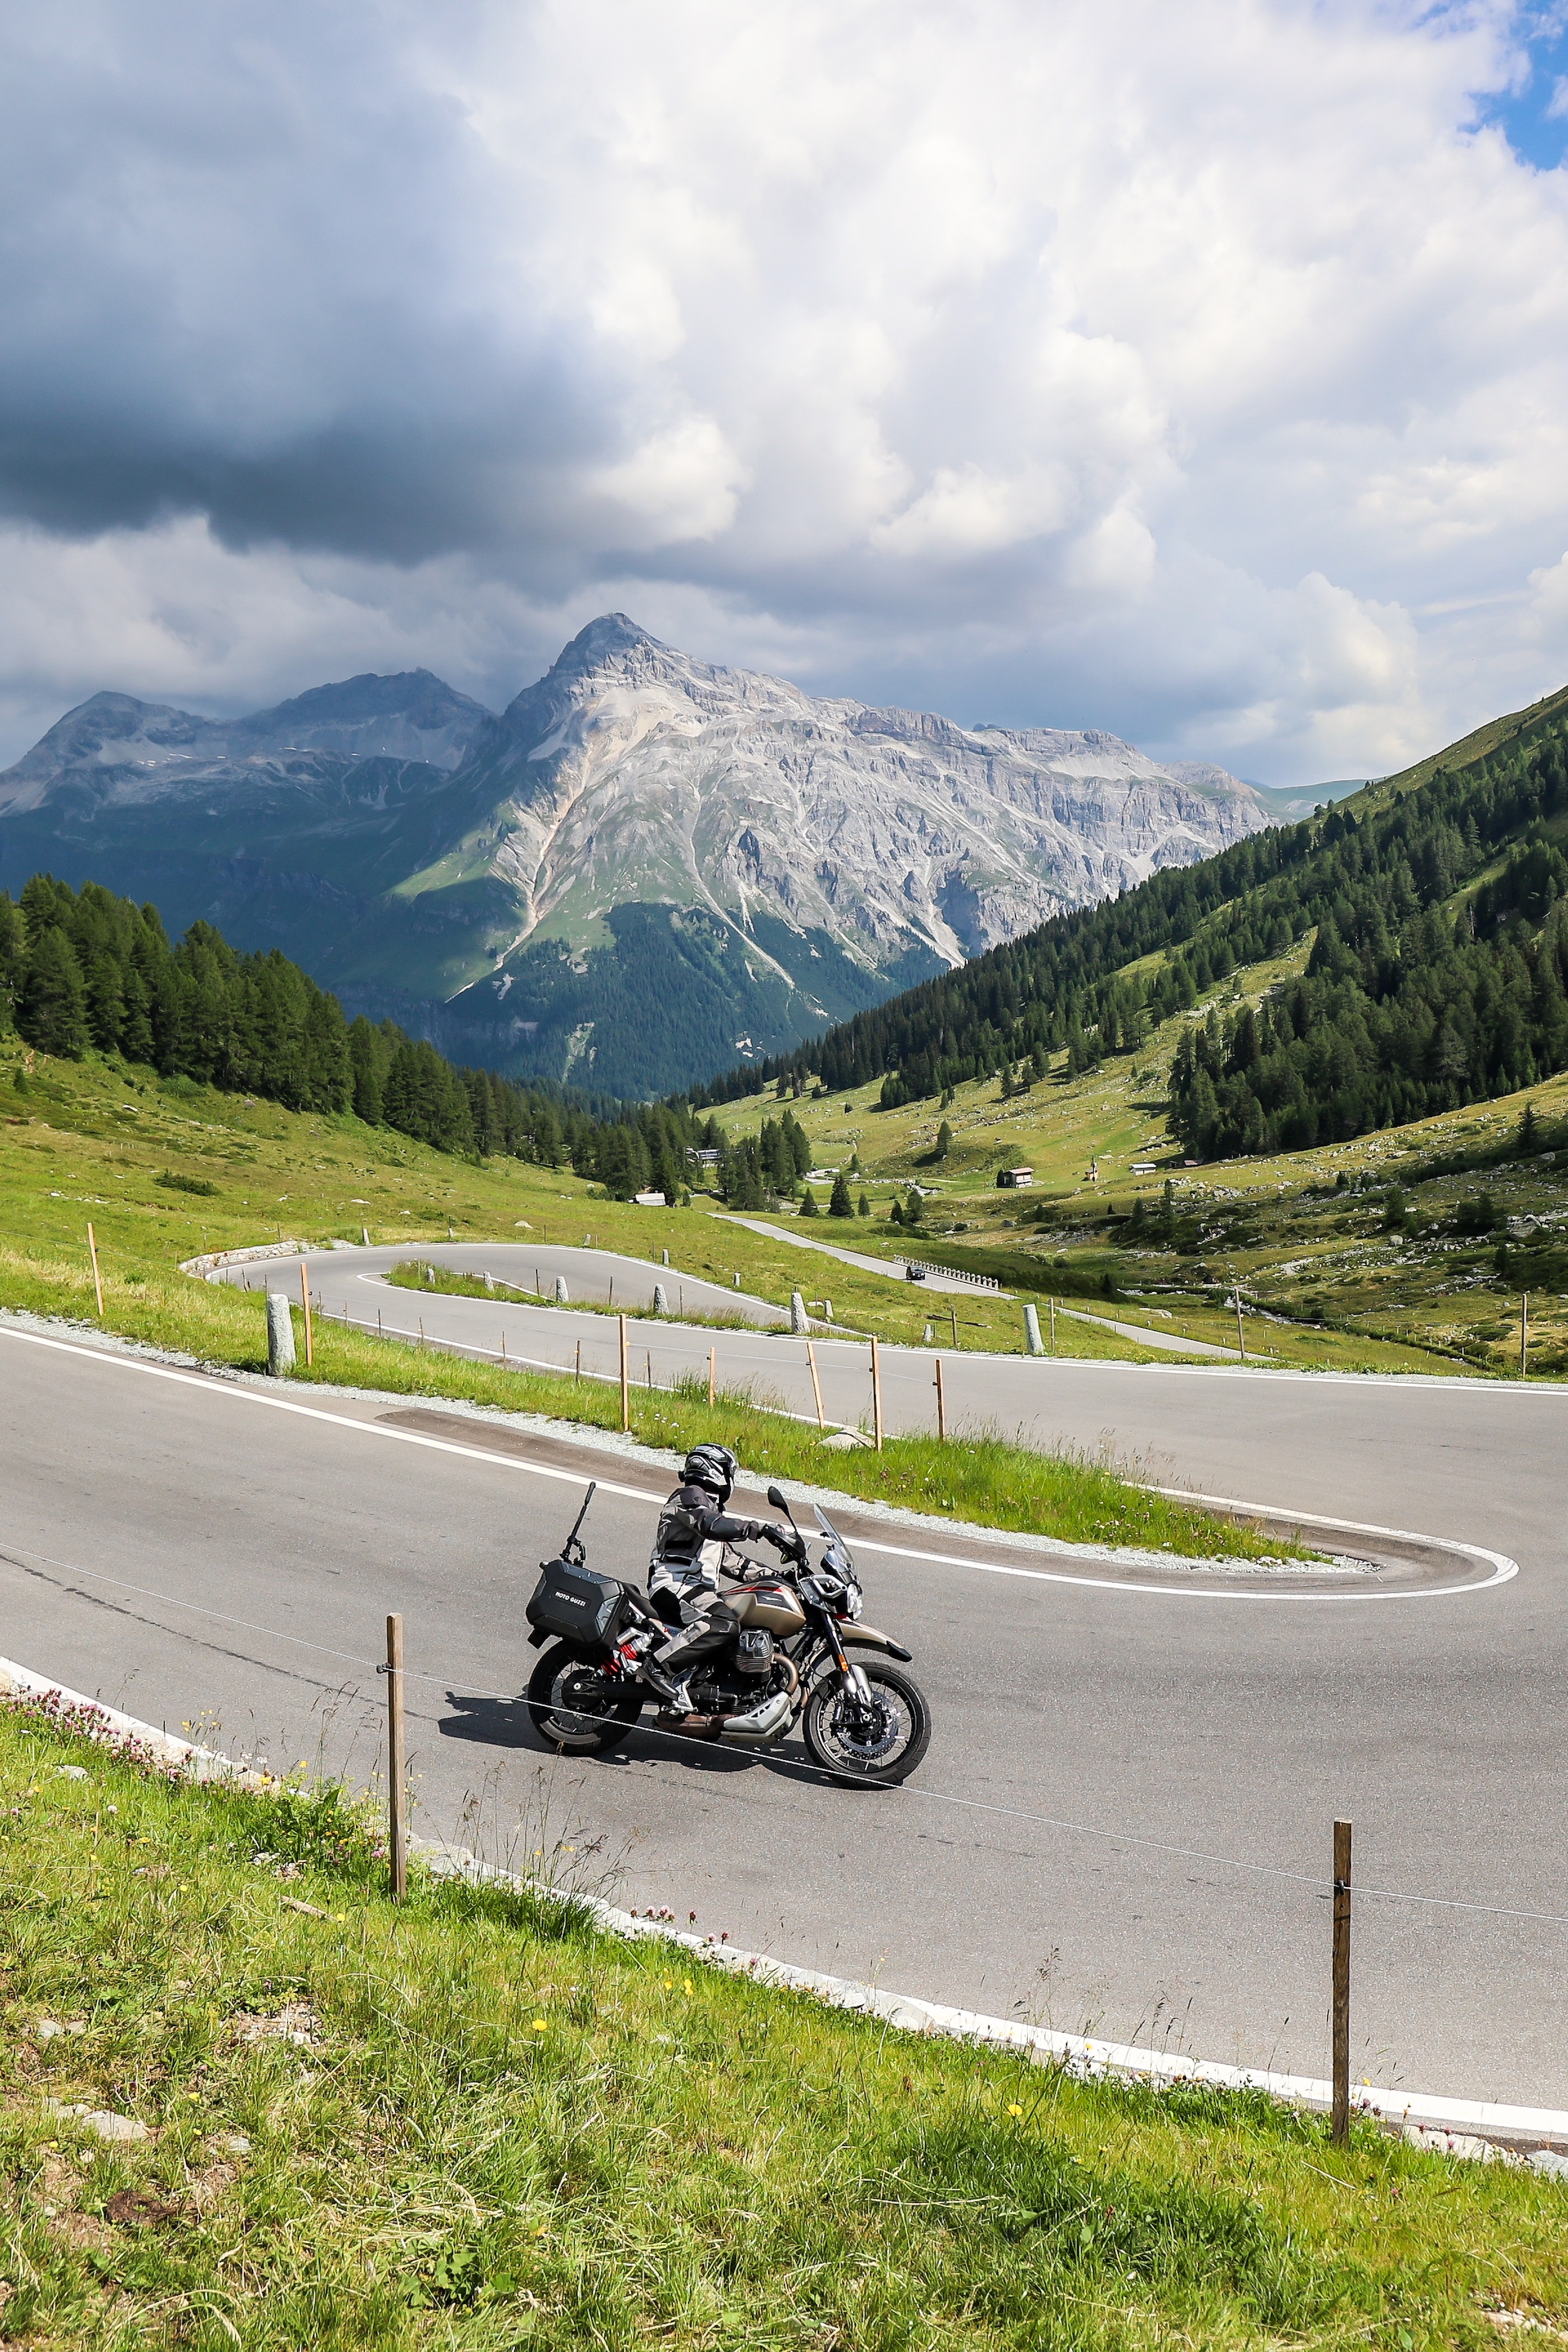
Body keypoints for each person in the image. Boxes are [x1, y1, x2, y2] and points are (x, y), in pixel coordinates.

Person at [638, 1443, 797, 1709]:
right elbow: (710, 1525)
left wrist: (779, 1578)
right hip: (674, 1585)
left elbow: (734, 1562)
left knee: (740, 1622)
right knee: (724, 1623)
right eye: (729, 1471)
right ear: (714, 1469)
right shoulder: (688, 1497)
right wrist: (757, 1529)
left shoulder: (710, 1510)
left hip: (695, 1590)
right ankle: (657, 1666)